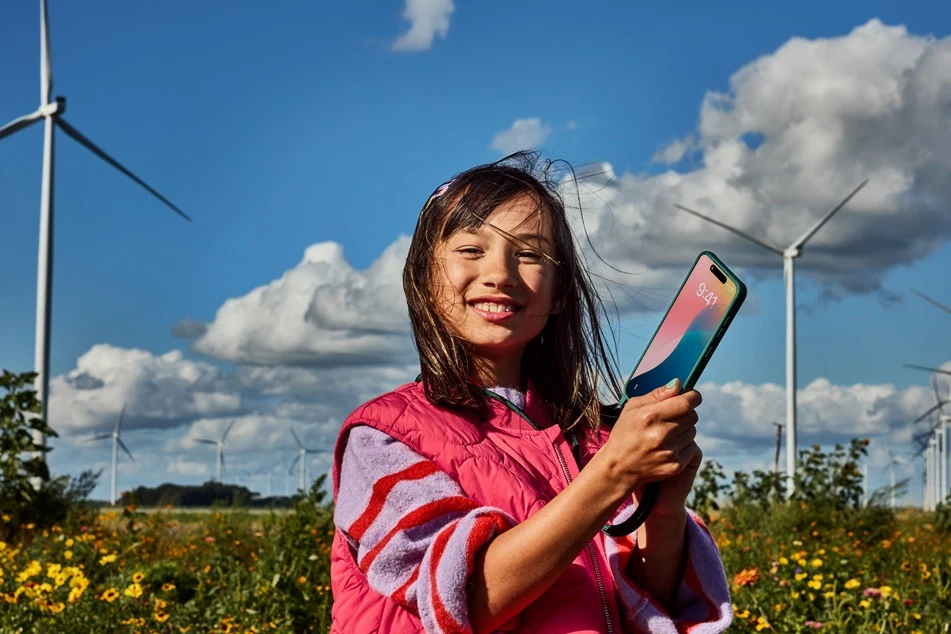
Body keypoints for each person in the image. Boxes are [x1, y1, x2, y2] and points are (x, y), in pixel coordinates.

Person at [329, 151, 733, 634]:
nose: (500, 274)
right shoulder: (383, 436)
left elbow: (646, 602)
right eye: (471, 250)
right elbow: (465, 599)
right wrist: (612, 474)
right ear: (425, 278)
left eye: (529, 254)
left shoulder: (597, 439)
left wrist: (662, 511)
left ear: (559, 290)